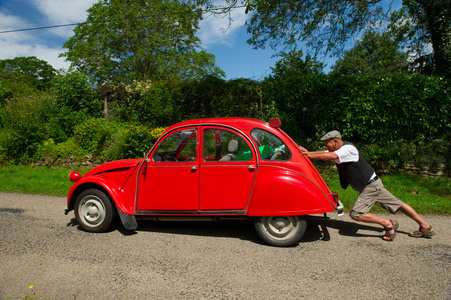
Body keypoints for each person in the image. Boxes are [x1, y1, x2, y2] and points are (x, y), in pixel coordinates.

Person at [299, 130, 435, 241]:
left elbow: (330, 155)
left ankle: (388, 224)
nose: (325, 146)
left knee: (356, 214)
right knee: (399, 205)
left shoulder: (348, 149)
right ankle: (425, 226)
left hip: (370, 186)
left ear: (335, 141)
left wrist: (310, 155)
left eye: (326, 143)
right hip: (373, 183)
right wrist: (307, 153)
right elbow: (326, 153)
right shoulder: (341, 148)